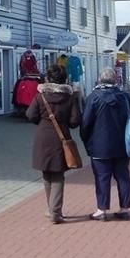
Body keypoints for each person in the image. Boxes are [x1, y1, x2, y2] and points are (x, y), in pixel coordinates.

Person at [80, 67, 130, 221]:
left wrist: (87, 140)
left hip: (99, 146)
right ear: (115, 80)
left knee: (102, 177)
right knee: (123, 176)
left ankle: (101, 210)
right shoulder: (125, 97)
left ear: (99, 79)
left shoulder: (93, 98)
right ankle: (124, 209)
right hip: (123, 144)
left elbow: (85, 123)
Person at [26, 64, 81, 224]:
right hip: (60, 138)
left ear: (48, 79)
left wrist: (42, 121)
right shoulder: (69, 97)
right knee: (57, 175)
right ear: (64, 79)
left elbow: (30, 115)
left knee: (46, 173)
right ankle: (55, 211)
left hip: (43, 137)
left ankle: (52, 209)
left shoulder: (40, 96)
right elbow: (75, 121)